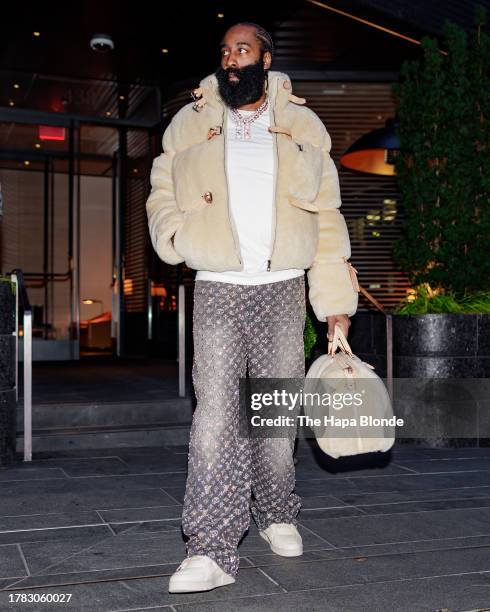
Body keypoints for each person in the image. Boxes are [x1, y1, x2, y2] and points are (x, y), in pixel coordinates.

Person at [146, 22, 358, 593]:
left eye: (242, 50)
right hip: (216, 284)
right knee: (216, 415)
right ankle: (210, 548)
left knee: (271, 417)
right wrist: (174, 235)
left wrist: (335, 304)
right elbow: (161, 190)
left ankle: (276, 510)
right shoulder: (189, 123)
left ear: (266, 57)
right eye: (224, 52)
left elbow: (328, 221)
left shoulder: (302, 125)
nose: (231, 60)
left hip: (283, 286)